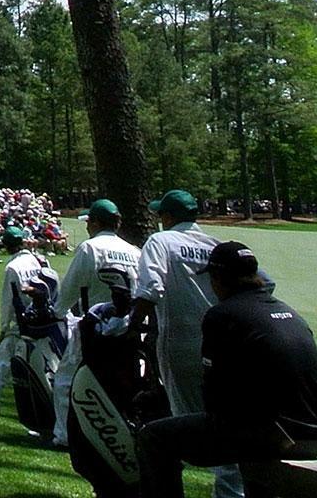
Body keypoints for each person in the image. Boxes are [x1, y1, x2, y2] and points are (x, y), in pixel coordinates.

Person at [136, 240, 317, 498]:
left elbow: (214, 397)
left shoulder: (222, 315)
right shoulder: (289, 312)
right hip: (312, 434)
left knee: (154, 437)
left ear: (218, 278)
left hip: (271, 435)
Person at [132, 190, 241, 498]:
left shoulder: (161, 241)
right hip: (222, 344)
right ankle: (231, 492)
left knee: (186, 428)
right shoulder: (215, 244)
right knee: (222, 420)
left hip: (180, 342)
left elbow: (150, 287)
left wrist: (129, 326)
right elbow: (263, 281)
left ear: (167, 217)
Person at [51, 198, 141, 450]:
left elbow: (69, 289)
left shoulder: (90, 248)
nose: (88, 225)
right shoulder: (135, 251)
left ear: (97, 222)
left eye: (90, 221)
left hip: (94, 325)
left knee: (66, 380)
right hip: (127, 327)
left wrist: (58, 311)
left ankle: (63, 435)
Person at [0, 225, 54, 414]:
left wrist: (3, 329)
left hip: (22, 324)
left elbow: (8, 302)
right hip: (45, 320)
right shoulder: (38, 260)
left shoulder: (12, 267)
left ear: (7, 246)